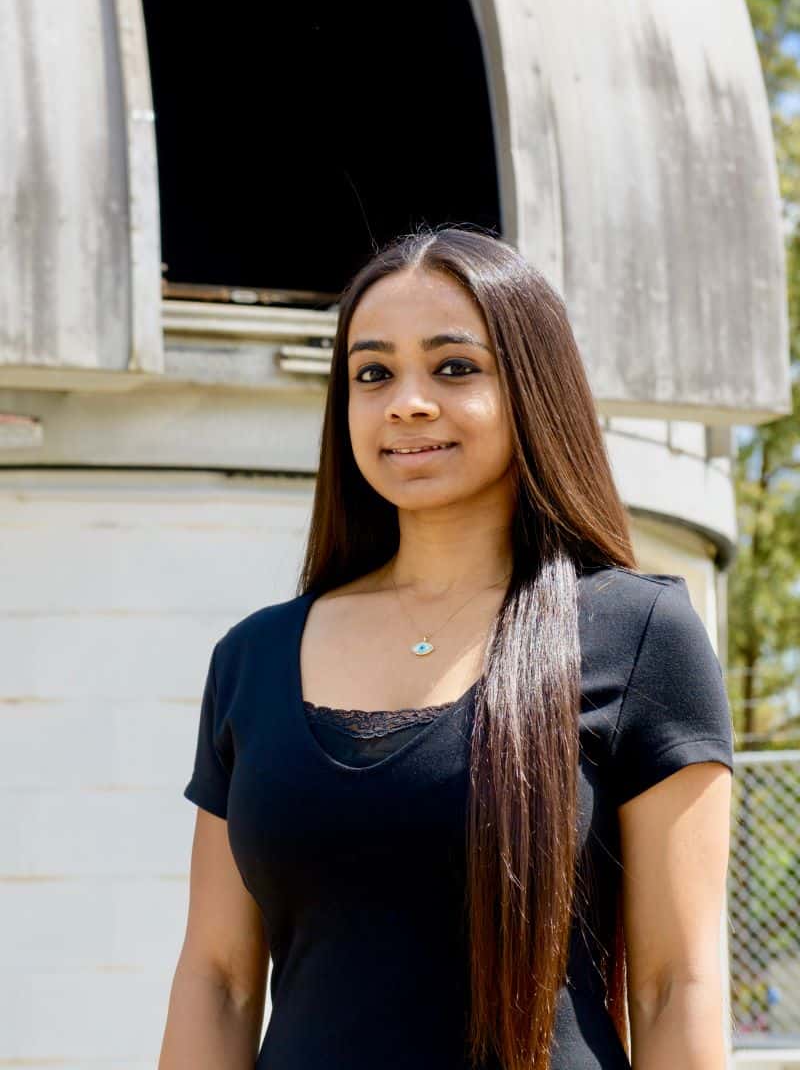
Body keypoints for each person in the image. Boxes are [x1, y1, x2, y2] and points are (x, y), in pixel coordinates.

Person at [159, 226, 735, 1070]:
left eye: (454, 367)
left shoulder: (639, 635)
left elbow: (672, 984)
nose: (407, 402)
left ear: (532, 390)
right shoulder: (253, 658)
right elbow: (219, 982)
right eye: (373, 372)